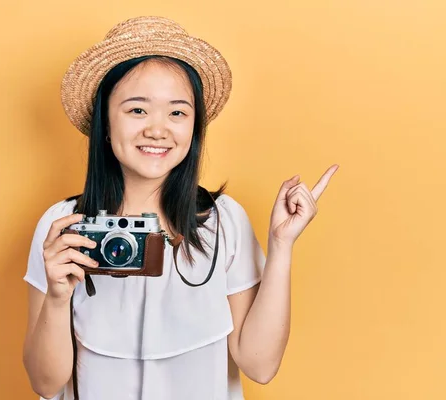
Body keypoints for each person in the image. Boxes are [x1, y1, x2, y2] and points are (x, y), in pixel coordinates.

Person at [22, 16, 338, 400]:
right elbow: (45, 383)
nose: (158, 129)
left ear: (194, 127)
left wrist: (282, 245)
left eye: (177, 112)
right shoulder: (64, 226)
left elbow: (260, 365)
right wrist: (57, 296)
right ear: (105, 121)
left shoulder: (224, 222)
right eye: (137, 110)